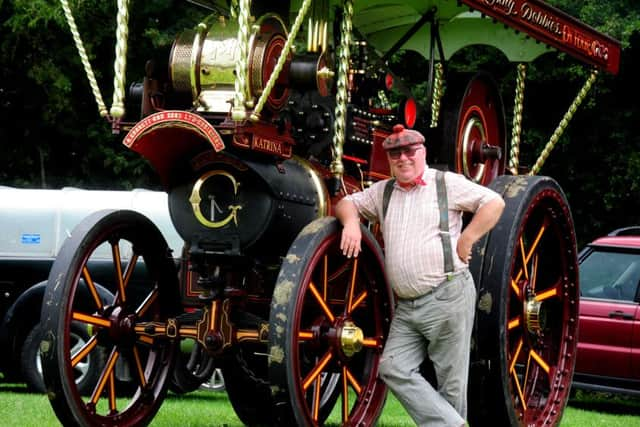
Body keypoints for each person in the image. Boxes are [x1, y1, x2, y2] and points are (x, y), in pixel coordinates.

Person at [335, 124, 505, 426]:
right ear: (388, 159)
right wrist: (350, 223)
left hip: (447, 295)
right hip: (407, 307)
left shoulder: (445, 183)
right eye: (395, 154)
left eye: (409, 151)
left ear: (422, 152)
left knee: (451, 386)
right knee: (392, 368)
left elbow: (495, 202)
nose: (403, 158)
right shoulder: (383, 192)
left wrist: (468, 237)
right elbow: (346, 203)